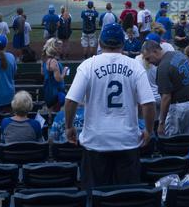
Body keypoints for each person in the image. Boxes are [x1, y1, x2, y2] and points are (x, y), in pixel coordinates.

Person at [65, 23, 155, 189]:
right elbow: (148, 104)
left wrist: (69, 127)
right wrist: (149, 130)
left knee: (96, 196)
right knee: (126, 197)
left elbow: (71, 101)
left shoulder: (87, 65)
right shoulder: (135, 66)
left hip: (95, 141)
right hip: (127, 141)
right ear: (122, 43)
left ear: (100, 43)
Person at [142, 39, 189, 136]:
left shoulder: (163, 67)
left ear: (156, 51)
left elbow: (166, 97)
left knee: (171, 141)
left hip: (181, 107)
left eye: (148, 58)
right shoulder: (177, 54)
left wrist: (161, 122)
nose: (149, 62)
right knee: (188, 138)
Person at [42, 38, 69, 112]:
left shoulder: (45, 60)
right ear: (55, 49)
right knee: (55, 111)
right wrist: (64, 71)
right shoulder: (53, 61)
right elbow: (58, 79)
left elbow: (43, 73)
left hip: (49, 89)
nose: (61, 49)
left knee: (51, 110)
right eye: (59, 48)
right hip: (55, 92)